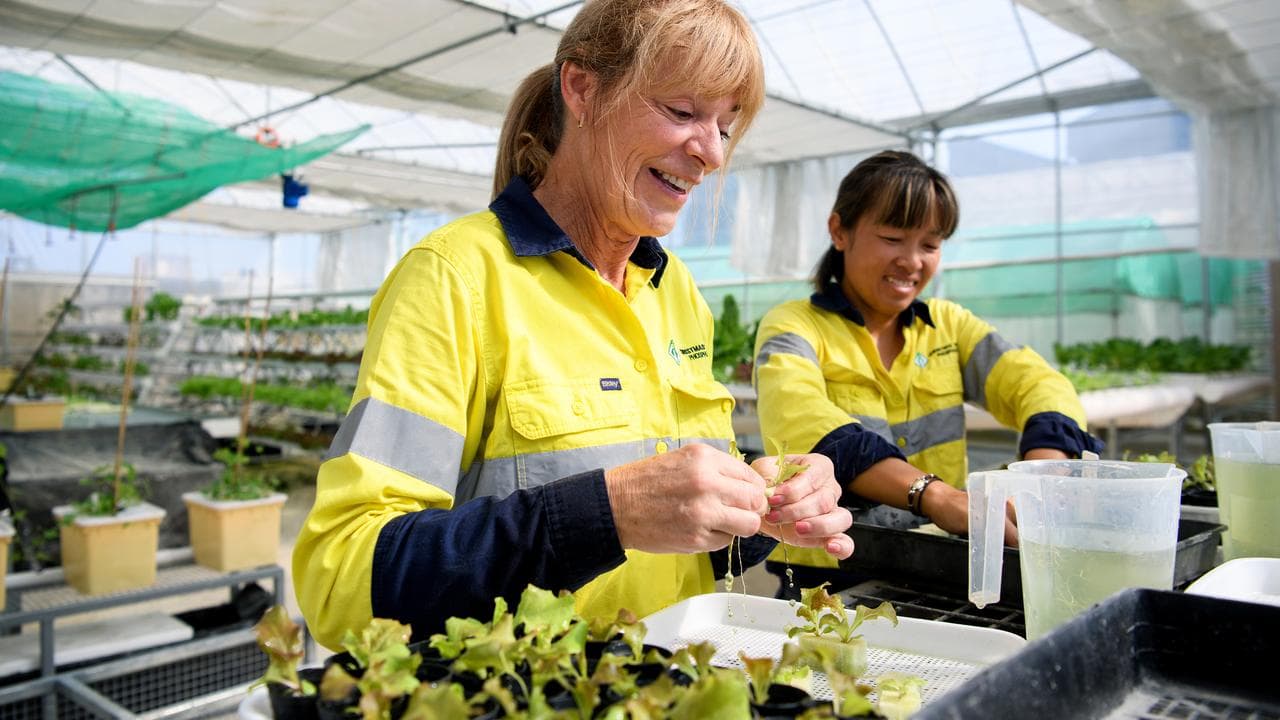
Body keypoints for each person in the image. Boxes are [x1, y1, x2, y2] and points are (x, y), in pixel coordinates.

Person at [293, 0, 854, 650]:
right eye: (682, 112)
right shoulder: (456, 276)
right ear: (583, 88)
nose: (711, 153)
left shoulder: (675, 291)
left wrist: (763, 501)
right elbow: (342, 581)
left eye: (726, 127)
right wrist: (606, 513)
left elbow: (679, 542)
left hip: (666, 678)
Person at [753, 150, 1103, 596]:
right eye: (893, 238)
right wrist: (933, 494)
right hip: (829, 578)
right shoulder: (794, 327)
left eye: (930, 245)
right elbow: (805, 425)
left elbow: (1038, 383)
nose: (912, 261)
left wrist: (1041, 478)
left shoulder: (948, 326)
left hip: (939, 566)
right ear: (839, 231)